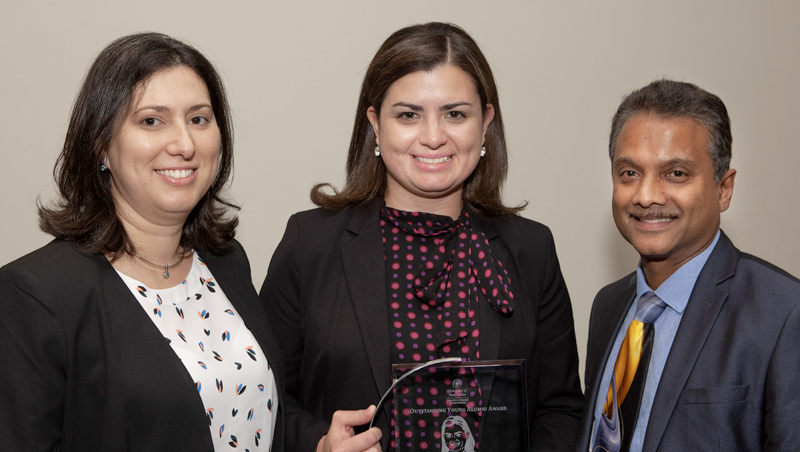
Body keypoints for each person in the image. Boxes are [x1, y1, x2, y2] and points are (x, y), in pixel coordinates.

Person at [260, 22, 583, 452]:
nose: (433, 137)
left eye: (455, 114)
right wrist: (317, 445)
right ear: (375, 123)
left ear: (485, 123)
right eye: (408, 114)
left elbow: (560, 410)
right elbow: (264, 396)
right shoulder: (310, 243)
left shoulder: (532, 250)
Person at [0, 33, 284, 451]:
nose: (184, 144)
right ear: (101, 146)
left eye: (199, 119)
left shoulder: (226, 261)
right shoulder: (37, 294)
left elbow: (241, 414)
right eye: (152, 120)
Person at [577, 79, 800, 451]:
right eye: (629, 173)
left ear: (723, 189)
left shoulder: (783, 313)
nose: (646, 195)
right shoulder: (608, 306)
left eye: (676, 173)